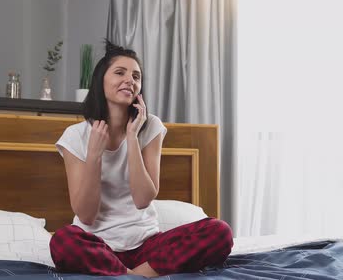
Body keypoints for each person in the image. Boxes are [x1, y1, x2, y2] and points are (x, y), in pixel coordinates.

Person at [50, 40, 233, 277]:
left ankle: (131, 276)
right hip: (97, 246)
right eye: (120, 73)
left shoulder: (150, 126)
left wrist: (132, 137)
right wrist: (94, 154)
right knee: (63, 240)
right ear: (100, 82)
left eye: (136, 76)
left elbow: (143, 198)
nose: (130, 80)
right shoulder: (75, 136)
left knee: (219, 231)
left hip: (147, 247)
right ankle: (138, 275)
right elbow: (85, 215)